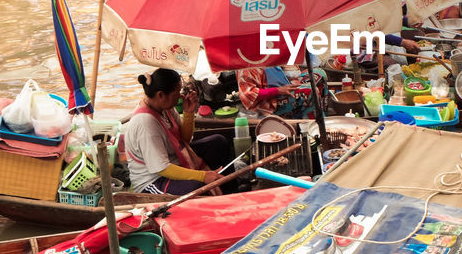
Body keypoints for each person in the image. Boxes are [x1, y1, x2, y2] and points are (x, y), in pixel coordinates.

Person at [123, 68, 228, 196]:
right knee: (199, 187)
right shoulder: (145, 123)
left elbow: (185, 139)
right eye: (176, 92)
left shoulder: (165, 108)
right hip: (153, 181)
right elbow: (162, 168)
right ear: (161, 95)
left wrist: (188, 113)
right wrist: (202, 176)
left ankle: (229, 189)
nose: (180, 96)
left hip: (175, 159)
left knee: (218, 142)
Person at [238, 65, 326, 118]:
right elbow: (248, 94)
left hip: (282, 87)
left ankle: (322, 115)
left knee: (319, 73)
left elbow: (278, 76)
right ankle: (311, 126)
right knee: (309, 90)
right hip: (268, 102)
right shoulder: (246, 67)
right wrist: (279, 90)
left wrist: (292, 80)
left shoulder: (267, 55)